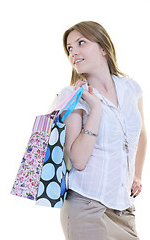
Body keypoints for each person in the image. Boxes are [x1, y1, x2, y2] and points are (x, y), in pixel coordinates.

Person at [57, 21, 147, 240]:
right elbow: (78, 159)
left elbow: (141, 135)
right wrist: (95, 108)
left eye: (81, 43)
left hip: (123, 209)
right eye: (69, 48)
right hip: (86, 206)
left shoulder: (131, 88)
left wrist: (137, 174)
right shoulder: (71, 95)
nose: (73, 53)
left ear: (104, 48)